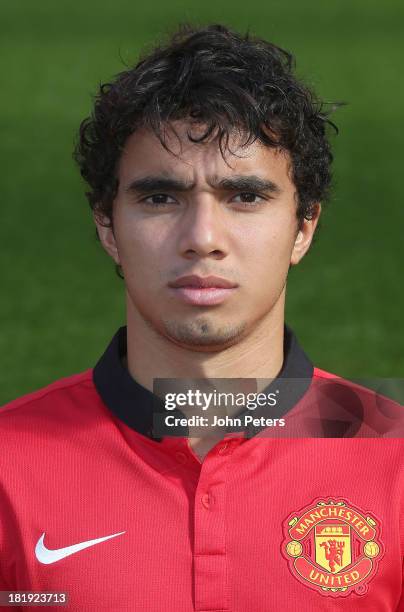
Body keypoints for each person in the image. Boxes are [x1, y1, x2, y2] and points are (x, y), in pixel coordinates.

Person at [0, 23, 403, 611]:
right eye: (160, 197)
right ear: (107, 227)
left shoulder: (394, 463)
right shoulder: (8, 468)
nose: (202, 238)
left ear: (304, 227)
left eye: (245, 196)